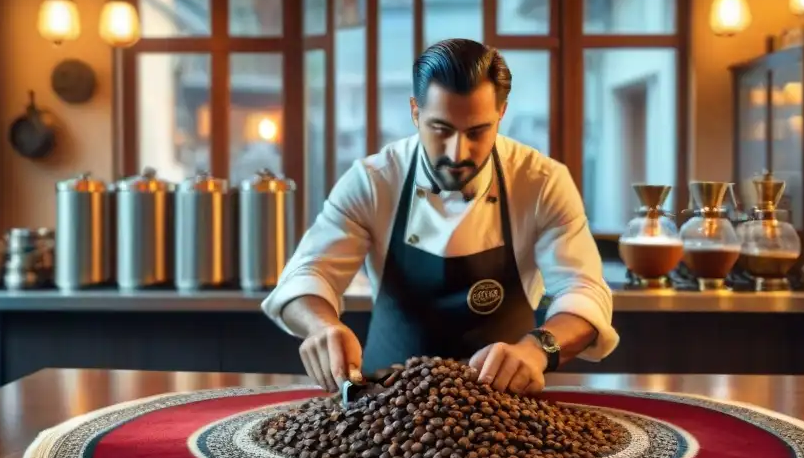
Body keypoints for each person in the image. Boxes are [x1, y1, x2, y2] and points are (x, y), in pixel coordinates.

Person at [262, 38, 617, 395]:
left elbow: (584, 289)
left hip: (507, 408)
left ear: (501, 114)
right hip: (383, 407)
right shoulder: (373, 181)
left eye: (477, 131)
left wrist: (538, 349)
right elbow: (307, 273)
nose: (457, 152)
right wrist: (322, 327)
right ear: (416, 112)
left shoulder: (540, 182)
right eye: (441, 129)